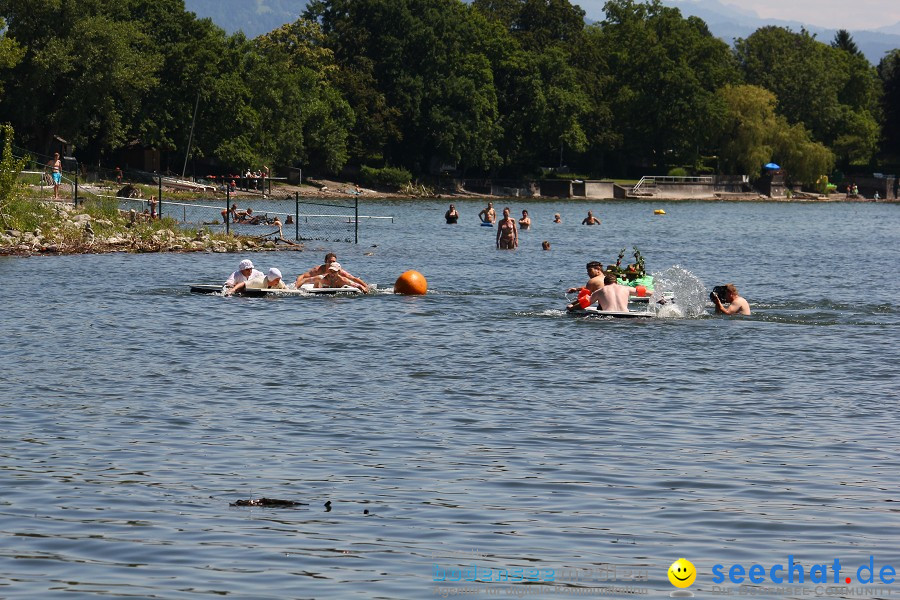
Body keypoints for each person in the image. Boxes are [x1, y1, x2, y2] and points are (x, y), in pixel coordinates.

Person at [295, 252, 368, 292]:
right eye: (330, 262)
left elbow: (353, 279)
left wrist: (365, 287)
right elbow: (303, 277)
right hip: (321, 285)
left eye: (333, 261)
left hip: (335, 285)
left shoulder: (341, 273)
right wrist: (296, 287)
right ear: (325, 262)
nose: (331, 263)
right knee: (317, 281)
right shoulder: (319, 270)